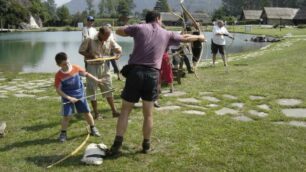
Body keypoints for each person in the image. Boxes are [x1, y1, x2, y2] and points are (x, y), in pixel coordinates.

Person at [107, 10, 205, 156]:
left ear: (146, 19)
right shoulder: (167, 33)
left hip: (135, 73)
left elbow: (119, 30)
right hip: (152, 75)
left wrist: (130, 29)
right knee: (148, 114)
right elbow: (185, 38)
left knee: (125, 111)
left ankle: (116, 147)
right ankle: (146, 146)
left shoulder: (139, 27)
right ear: (158, 19)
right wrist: (199, 37)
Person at [54, 52, 101, 142]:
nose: (67, 65)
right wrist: (69, 98)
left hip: (80, 95)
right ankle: (63, 133)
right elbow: (58, 90)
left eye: (68, 62)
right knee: (67, 116)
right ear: (58, 65)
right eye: (64, 64)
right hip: (67, 97)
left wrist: (96, 80)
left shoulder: (76, 68)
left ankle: (93, 128)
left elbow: (86, 74)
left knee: (87, 112)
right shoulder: (59, 75)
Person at [79, 26, 122, 120]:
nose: (106, 39)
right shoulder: (89, 39)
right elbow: (81, 50)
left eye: (108, 37)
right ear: (100, 34)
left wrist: (118, 53)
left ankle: (114, 111)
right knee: (92, 89)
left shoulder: (109, 39)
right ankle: (96, 113)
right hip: (92, 66)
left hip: (104, 66)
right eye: (105, 37)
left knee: (108, 88)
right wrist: (91, 55)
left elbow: (118, 48)